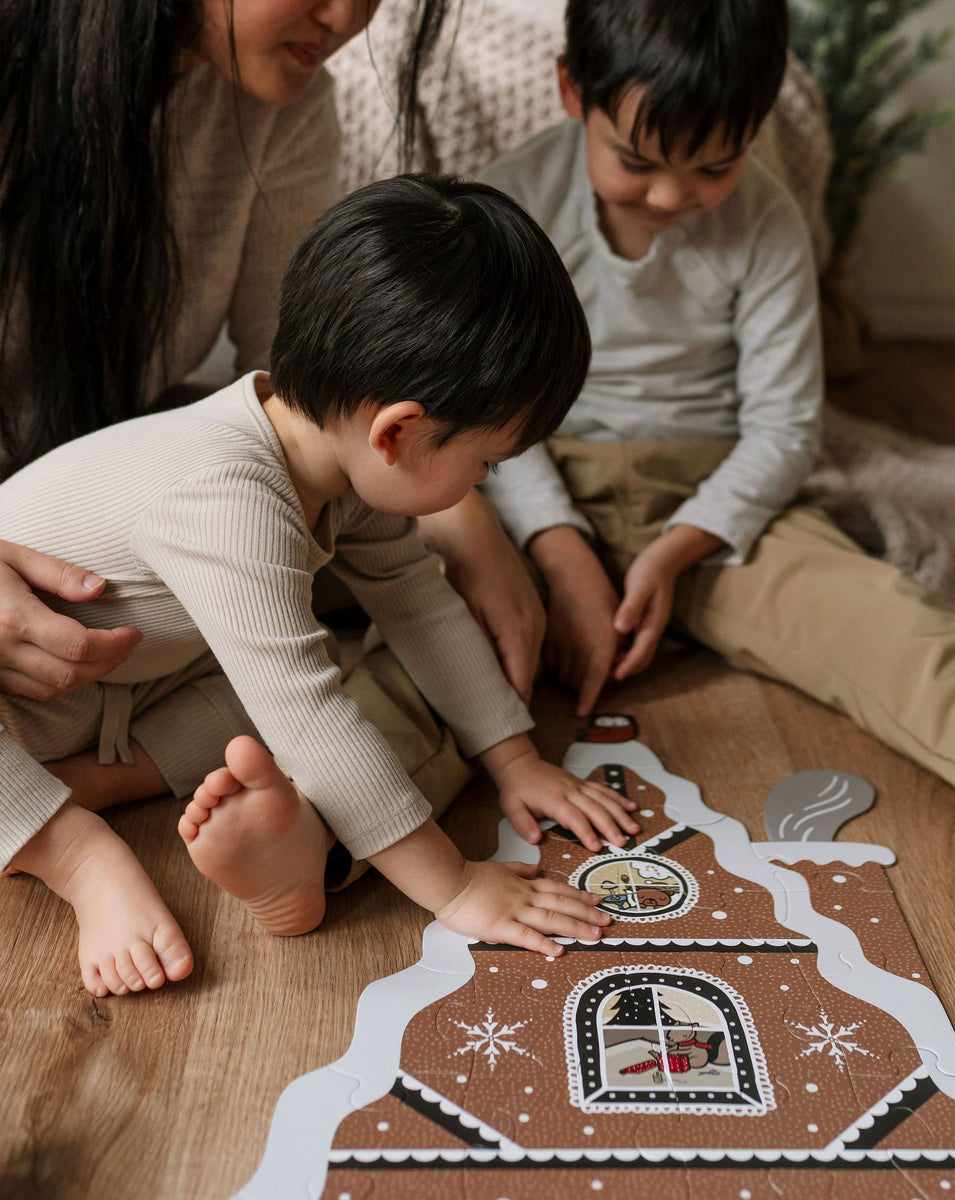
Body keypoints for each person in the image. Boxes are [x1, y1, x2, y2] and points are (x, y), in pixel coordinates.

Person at [478, 0, 955, 912]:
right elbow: (486, 412)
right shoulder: (506, 203)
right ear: (571, 93)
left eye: (711, 167)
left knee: (904, 641)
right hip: (530, 482)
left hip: (720, 500)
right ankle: (320, 823)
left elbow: (785, 430)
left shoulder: (768, 223)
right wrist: (558, 546)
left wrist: (680, 545)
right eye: (636, 162)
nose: (669, 197)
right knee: (432, 636)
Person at [0, 175, 642, 999]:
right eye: (486, 462)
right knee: (306, 708)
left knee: (300, 677)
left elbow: (420, 601)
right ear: (399, 433)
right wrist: (456, 887)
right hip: (22, 701)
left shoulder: (338, 464)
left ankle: (96, 776)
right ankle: (76, 849)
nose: (481, 483)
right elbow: (309, 719)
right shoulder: (226, 495)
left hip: (106, 689)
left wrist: (514, 759)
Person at [0, 0, 548, 824]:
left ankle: (105, 783)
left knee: (337, 646)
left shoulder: (282, 99)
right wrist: (462, 889)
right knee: (305, 690)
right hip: (74, 547)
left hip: (126, 610)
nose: (345, 18)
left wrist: (482, 537)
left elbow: (321, 389)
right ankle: (70, 828)